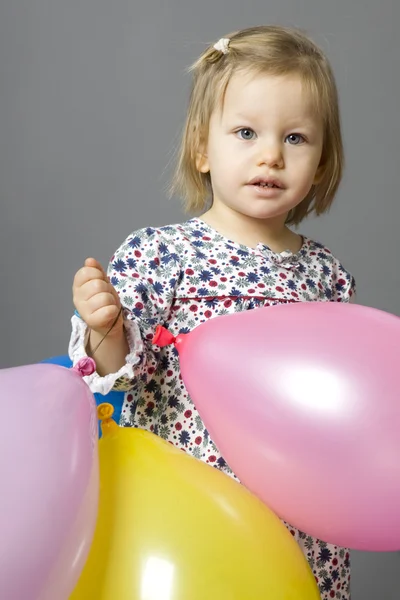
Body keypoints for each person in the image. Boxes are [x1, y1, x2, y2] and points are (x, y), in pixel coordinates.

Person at [70, 25, 356, 599]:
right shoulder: (163, 253)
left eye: (296, 138)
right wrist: (105, 329)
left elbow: (343, 399)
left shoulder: (327, 274)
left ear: (322, 161)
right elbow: (116, 372)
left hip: (301, 524)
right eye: (246, 132)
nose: (270, 155)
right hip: (192, 518)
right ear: (203, 147)